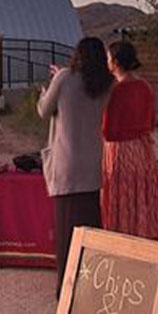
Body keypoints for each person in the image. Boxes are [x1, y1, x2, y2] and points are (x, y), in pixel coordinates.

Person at [38, 36, 115, 278]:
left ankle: (67, 287)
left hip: (66, 167)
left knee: (67, 234)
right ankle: (89, 284)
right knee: (90, 231)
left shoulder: (63, 78)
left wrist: (47, 87)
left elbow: (44, 110)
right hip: (92, 165)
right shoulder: (108, 84)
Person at [100, 41, 158, 239]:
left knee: (121, 200)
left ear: (116, 62)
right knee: (141, 198)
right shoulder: (145, 87)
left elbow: (108, 129)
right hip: (143, 150)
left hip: (120, 151)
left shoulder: (116, 91)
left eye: (108, 58)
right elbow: (151, 122)